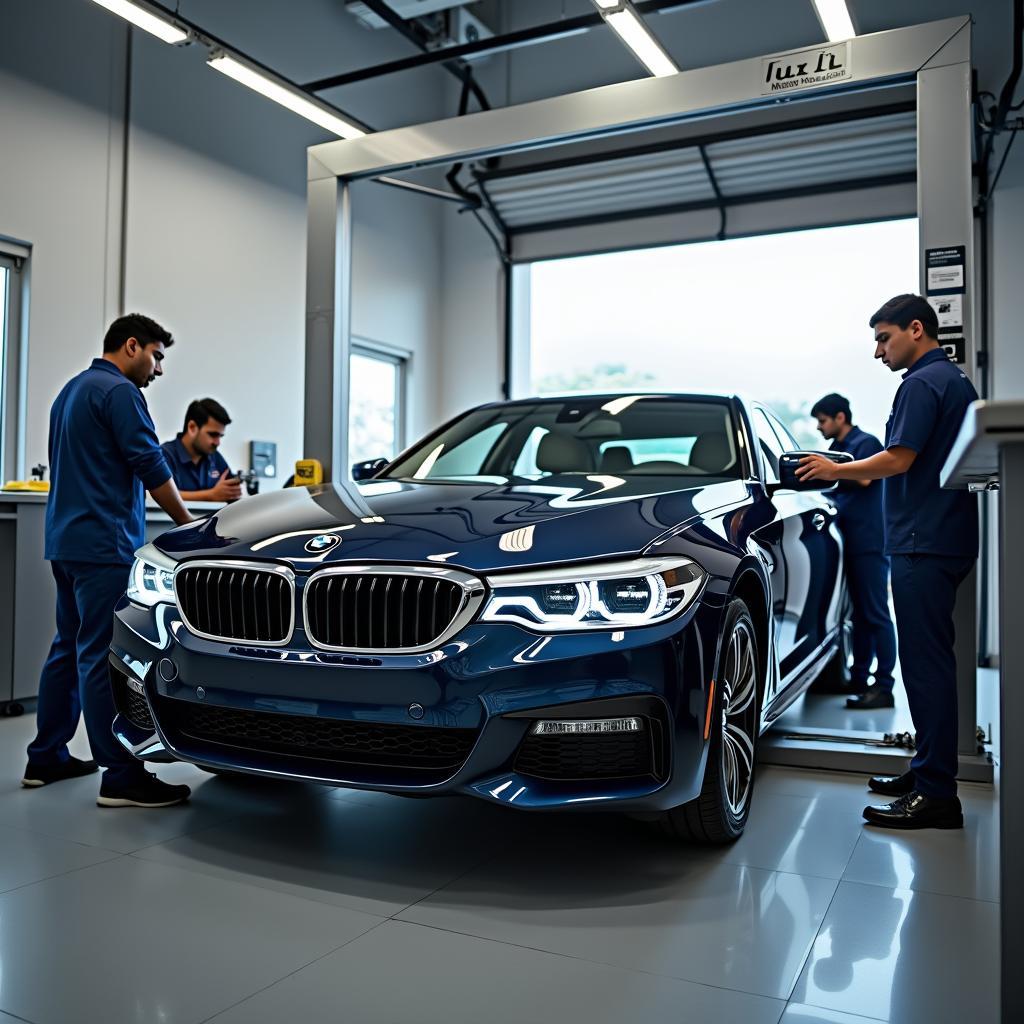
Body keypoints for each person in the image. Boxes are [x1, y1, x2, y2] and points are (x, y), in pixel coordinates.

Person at [797, 294, 978, 830]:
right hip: (943, 535)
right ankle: (928, 773)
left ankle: (937, 794)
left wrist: (834, 470)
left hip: (922, 539)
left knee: (926, 669)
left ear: (916, 329)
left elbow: (899, 459)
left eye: (884, 338)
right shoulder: (955, 380)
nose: (878, 352)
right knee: (931, 665)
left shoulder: (922, 383)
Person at [22, 314, 195, 808]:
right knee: (102, 655)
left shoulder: (70, 391)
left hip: (65, 542)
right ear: (132, 346)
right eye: (157, 356)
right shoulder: (119, 392)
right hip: (103, 545)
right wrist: (186, 523)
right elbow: (148, 461)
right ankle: (119, 775)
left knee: (68, 645)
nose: (158, 369)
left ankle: (46, 756)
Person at [810, 393, 897, 710]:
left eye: (822, 421)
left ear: (840, 418)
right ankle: (860, 680)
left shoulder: (865, 443)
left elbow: (864, 479)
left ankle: (884, 686)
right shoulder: (835, 451)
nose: (820, 428)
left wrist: (830, 469)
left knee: (875, 613)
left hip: (868, 541)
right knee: (859, 615)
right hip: (848, 540)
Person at [161, 397, 241, 503]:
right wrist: (211, 495)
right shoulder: (165, 455)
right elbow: (161, 495)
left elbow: (232, 492)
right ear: (192, 427)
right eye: (213, 434)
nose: (217, 443)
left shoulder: (215, 457)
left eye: (220, 436)